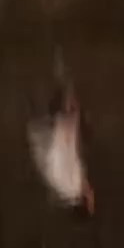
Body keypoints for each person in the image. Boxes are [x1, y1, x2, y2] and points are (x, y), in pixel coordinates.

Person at [27, 77, 95, 214]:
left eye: (92, 202)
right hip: (52, 125)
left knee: (62, 78)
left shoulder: (73, 184)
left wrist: (71, 115)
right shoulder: (65, 189)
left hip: (56, 123)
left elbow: (67, 148)